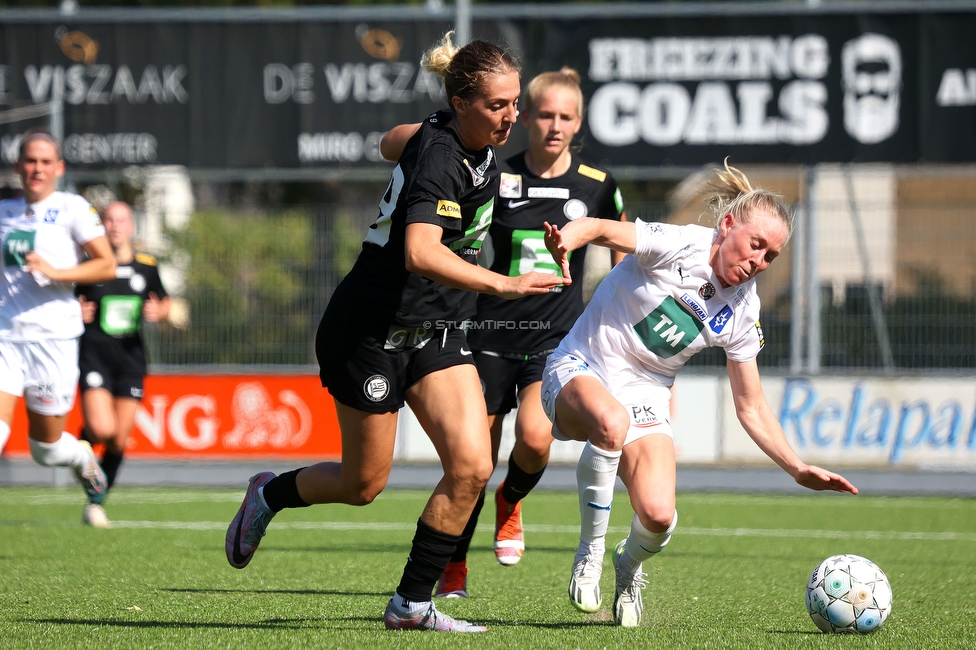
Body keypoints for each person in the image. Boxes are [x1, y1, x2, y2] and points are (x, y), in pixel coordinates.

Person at [224, 33, 562, 633]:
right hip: (370, 331)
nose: (512, 117)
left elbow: (390, 141)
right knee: (362, 485)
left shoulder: (454, 134)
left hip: (434, 328)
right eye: (497, 105)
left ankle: (411, 604)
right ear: (461, 102)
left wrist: (418, 140)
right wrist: (502, 285)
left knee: (472, 465)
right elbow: (419, 251)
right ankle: (269, 495)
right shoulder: (441, 156)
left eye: (515, 102)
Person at [540, 160, 858, 627]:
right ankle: (588, 555)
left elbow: (750, 405)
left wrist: (797, 467)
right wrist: (571, 236)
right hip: (579, 367)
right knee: (610, 422)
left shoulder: (744, 309)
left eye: (771, 256)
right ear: (727, 225)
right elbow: (604, 228)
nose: (758, 262)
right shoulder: (680, 244)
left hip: (644, 393)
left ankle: (627, 570)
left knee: (659, 516)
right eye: (755, 245)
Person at [429, 68, 627, 599]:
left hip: (555, 344)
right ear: (525, 115)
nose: (553, 125)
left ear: (579, 122)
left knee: (536, 440)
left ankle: (511, 501)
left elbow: (625, 255)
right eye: (544, 114)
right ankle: (453, 569)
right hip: (488, 336)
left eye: (565, 117)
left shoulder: (598, 186)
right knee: (472, 462)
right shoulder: (495, 172)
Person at [0, 129, 116, 509]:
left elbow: (107, 264)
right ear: (18, 166)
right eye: (30, 161)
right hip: (5, 336)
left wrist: (56, 272)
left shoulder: (72, 207)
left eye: (45, 162)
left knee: (45, 450)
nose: (37, 168)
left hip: (53, 340)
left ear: (59, 168)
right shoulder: (4, 210)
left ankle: (83, 459)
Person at [76, 201, 170, 528]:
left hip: (131, 358)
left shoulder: (146, 266)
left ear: (131, 226)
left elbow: (165, 301)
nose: (115, 226)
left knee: (118, 439)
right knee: (102, 429)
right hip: (94, 355)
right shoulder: (89, 265)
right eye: (109, 220)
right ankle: (82, 442)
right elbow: (67, 301)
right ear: (101, 226)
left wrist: (161, 312)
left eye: (121, 220)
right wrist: (74, 312)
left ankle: (96, 502)